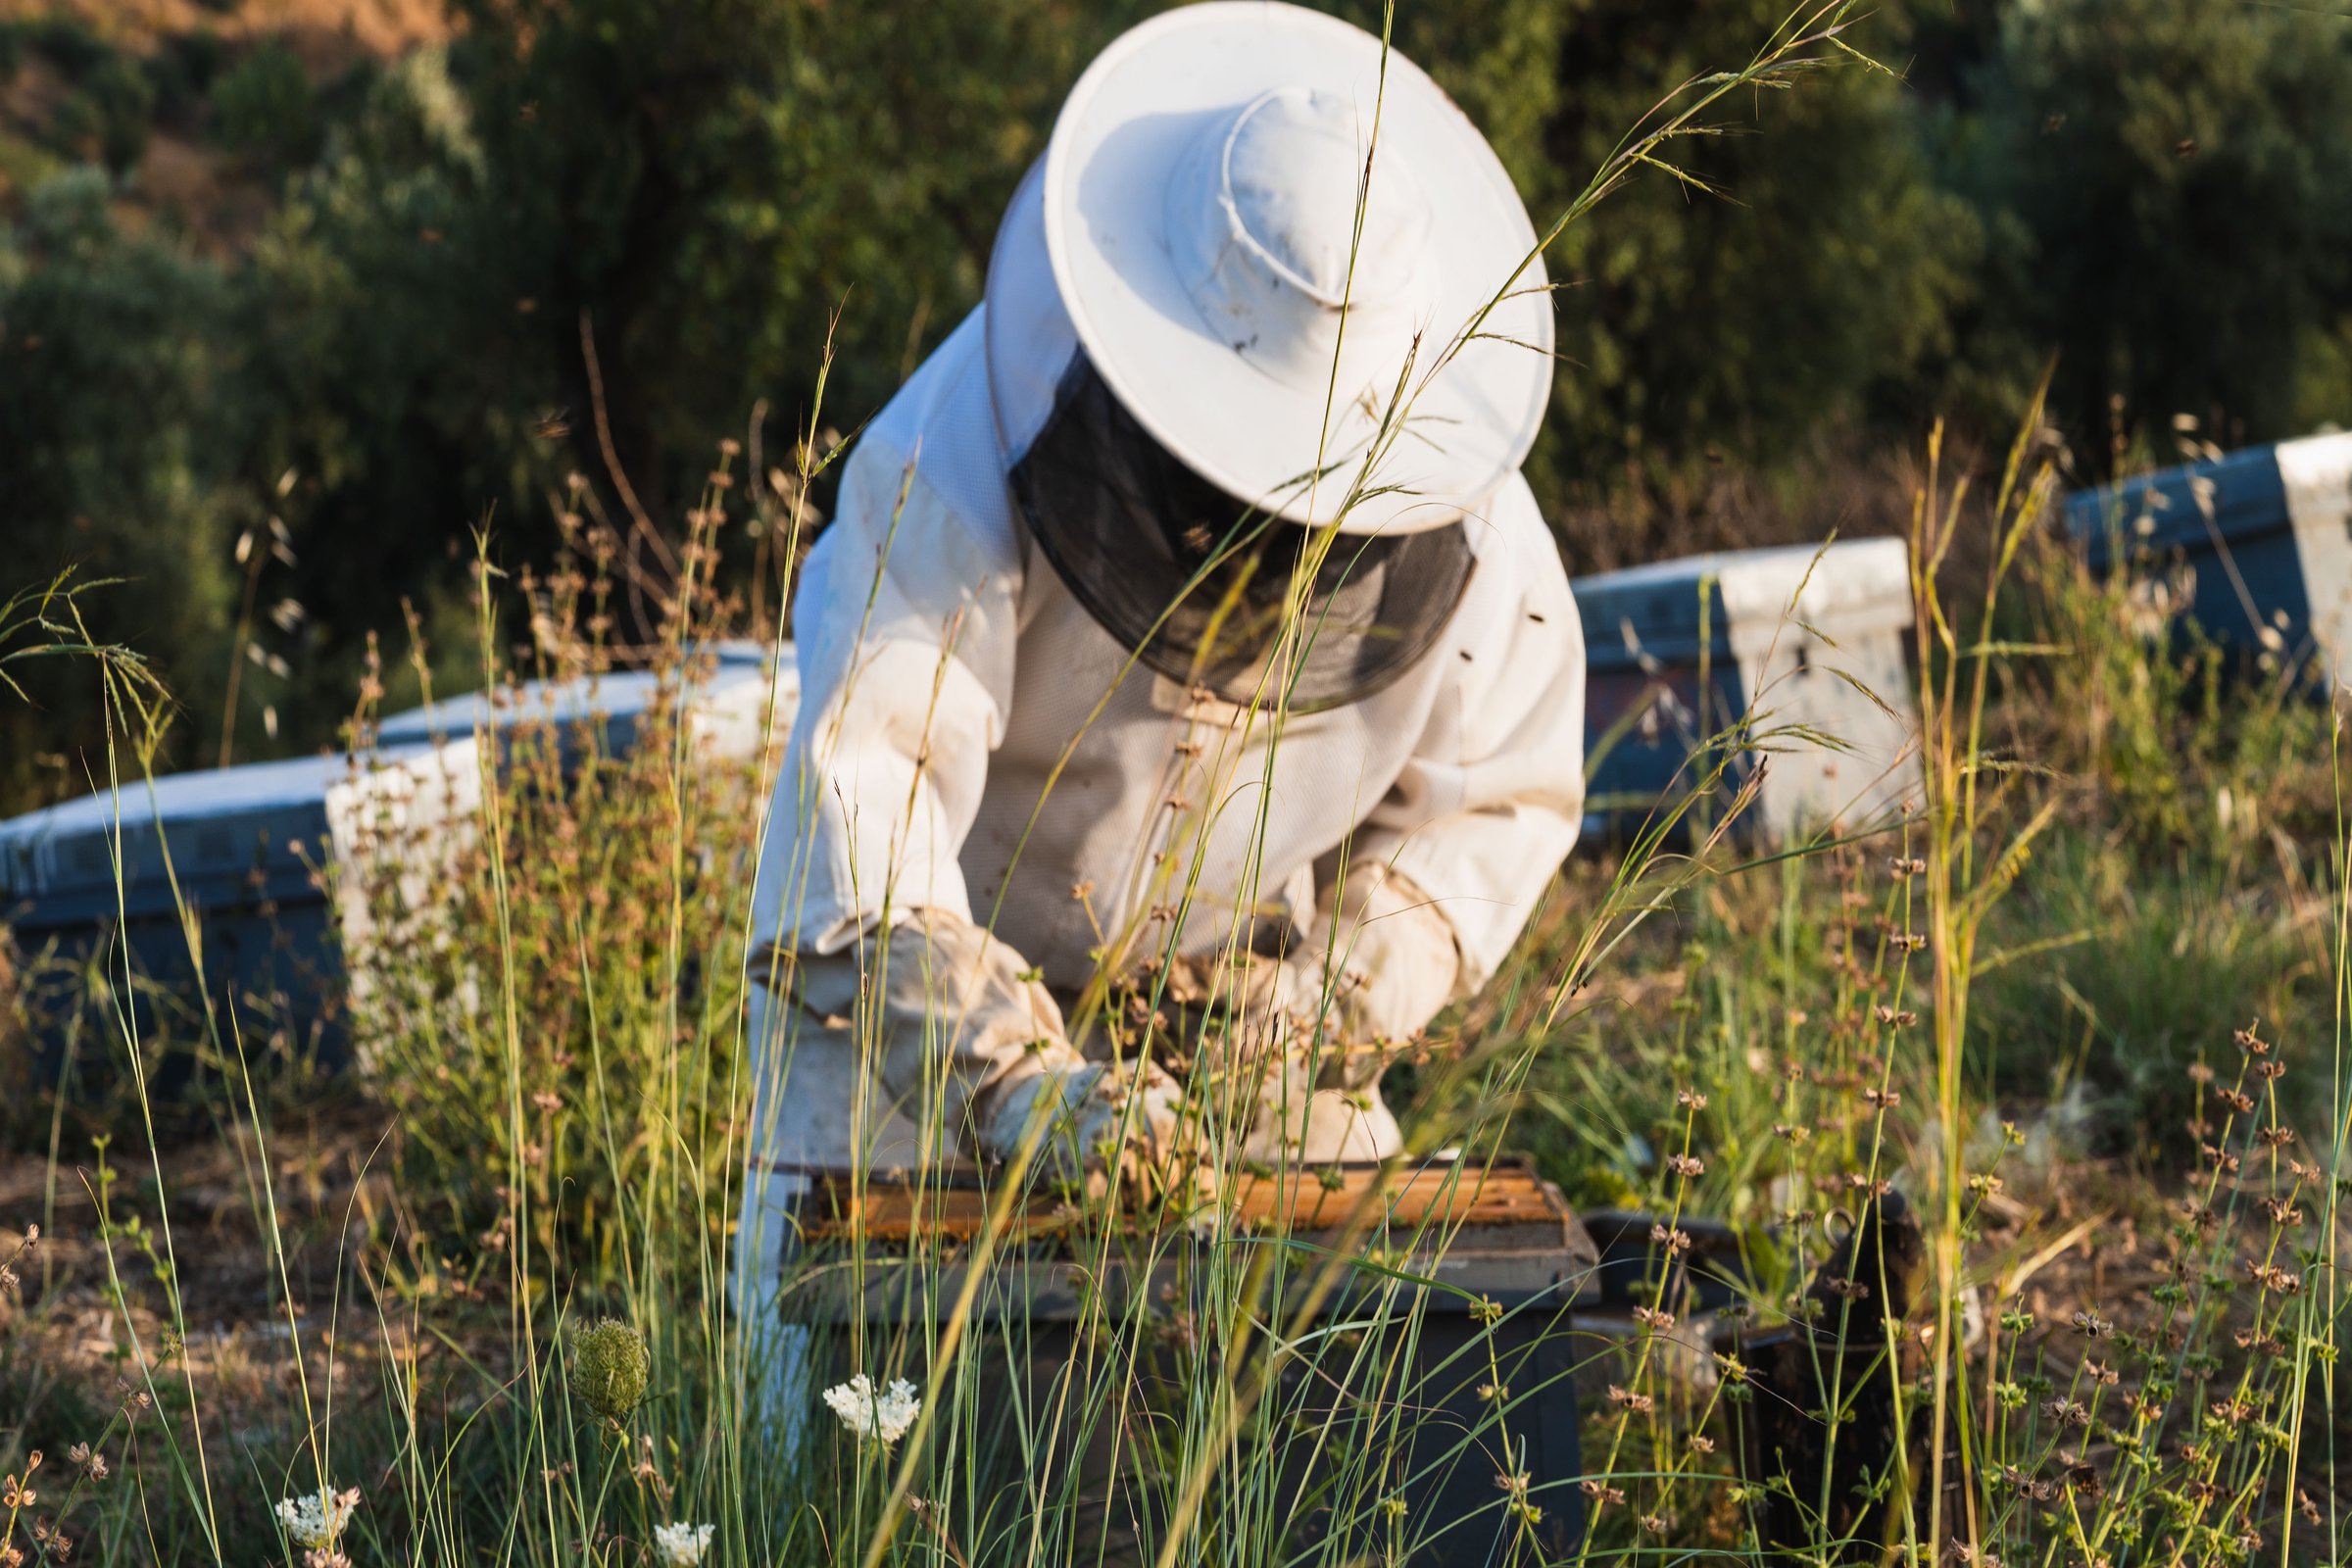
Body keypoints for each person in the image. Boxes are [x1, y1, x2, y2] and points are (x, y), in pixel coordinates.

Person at [737, 1, 1586, 1316]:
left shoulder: (1472, 529)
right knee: (850, 1422)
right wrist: (1012, 1075)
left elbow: (1489, 807)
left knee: (1342, 1390)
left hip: (1239, 1002)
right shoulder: (950, 462)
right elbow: (866, 827)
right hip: (920, 1008)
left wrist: (1327, 1007)